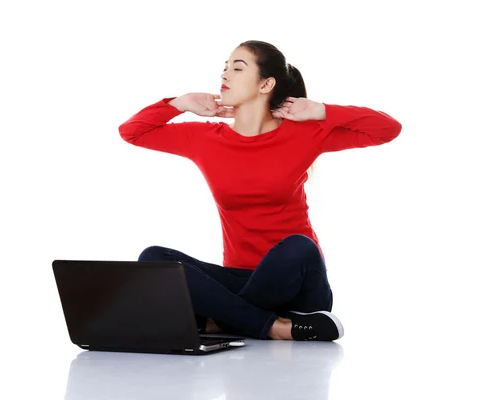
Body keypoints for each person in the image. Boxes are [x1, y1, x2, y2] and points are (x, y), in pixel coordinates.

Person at [118, 40, 402, 341]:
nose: (225, 76)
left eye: (237, 68)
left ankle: (225, 321)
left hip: (298, 285)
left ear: (266, 84)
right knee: (155, 258)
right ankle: (275, 327)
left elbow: (387, 129)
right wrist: (181, 103)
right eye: (224, 68)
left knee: (299, 246)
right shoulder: (204, 139)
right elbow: (132, 132)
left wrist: (320, 111)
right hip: (241, 282)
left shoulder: (304, 133)